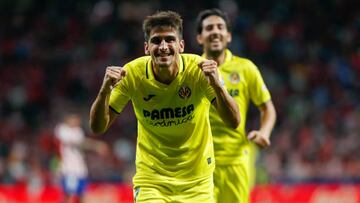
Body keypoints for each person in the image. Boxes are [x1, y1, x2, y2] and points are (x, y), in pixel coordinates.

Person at [89, 11, 240, 203]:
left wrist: (218, 86)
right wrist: (104, 91)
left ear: (181, 45)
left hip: (197, 182)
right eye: (156, 40)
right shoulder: (132, 75)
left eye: (170, 39)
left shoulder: (199, 70)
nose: (163, 47)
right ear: (146, 47)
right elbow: (97, 127)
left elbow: (234, 121)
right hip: (152, 181)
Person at [196, 9, 277, 203]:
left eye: (220, 27)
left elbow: (268, 108)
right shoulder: (192, 69)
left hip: (236, 161)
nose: (215, 31)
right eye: (209, 28)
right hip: (200, 161)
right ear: (200, 37)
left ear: (229, 36)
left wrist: (264, 132)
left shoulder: (245, 68)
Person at [54, 113, 107, 203]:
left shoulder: (78, 131)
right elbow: (81, 143)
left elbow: (81, 143)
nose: (76, 122)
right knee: (68, 194)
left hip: (80, 169)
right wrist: (96, 145)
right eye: (74, 119)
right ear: (68, 119)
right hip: (69, 169)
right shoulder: (62, 130)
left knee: (81, 194)